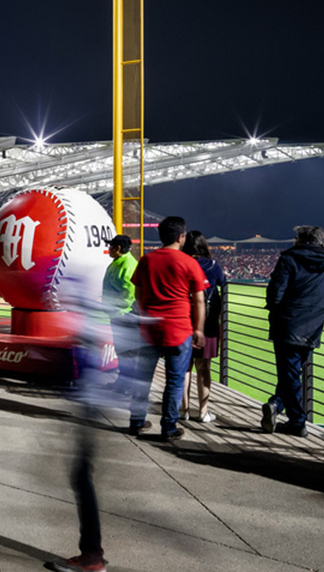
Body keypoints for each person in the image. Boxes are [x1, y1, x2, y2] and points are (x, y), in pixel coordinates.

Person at [50, 260, 111, 572]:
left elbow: (84, 368)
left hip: (90, 407)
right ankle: (93, 551)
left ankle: (92, 556)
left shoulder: (85, 321)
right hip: (93, 406)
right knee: (82, 476)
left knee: (81, 478)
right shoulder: (89, 317)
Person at [128, 215, 208, 440]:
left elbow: (138, 293)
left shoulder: (147, 260)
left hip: (149, 327)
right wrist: (199, 330)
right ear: (182, 237)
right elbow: (199, 300)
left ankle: (136, 421)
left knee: (142, 377)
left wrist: (144, 316)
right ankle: (169, 427)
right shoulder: (189, 262)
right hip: (179, 329)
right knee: (175, 379)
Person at [262, 225, 324, 438]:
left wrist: (275, 309)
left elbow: (275, 293)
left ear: (302, 240)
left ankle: (297, 420)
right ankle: (277, 405)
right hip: (314, 326)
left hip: (287, 325)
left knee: (289, 373)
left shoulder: (289, 259)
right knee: (292, 372)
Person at [181, 230, 227, 423]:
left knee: (184, 368)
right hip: (207, 324)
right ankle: (203, 412)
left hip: (183, 321)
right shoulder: (213, 266)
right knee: (204, 368)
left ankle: (183, 411)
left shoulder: (182, 263)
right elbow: (223, 287)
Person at [101, 234, 139, 392]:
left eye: (110, 246)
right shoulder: (119, 262)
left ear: (117, 248)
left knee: (127, 352)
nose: (108, 249)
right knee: (122, 351)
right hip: (118, 314)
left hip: (124, 315)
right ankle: (123, 383)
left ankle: (128, 385)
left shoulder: (128, 264)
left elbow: (129, 294)